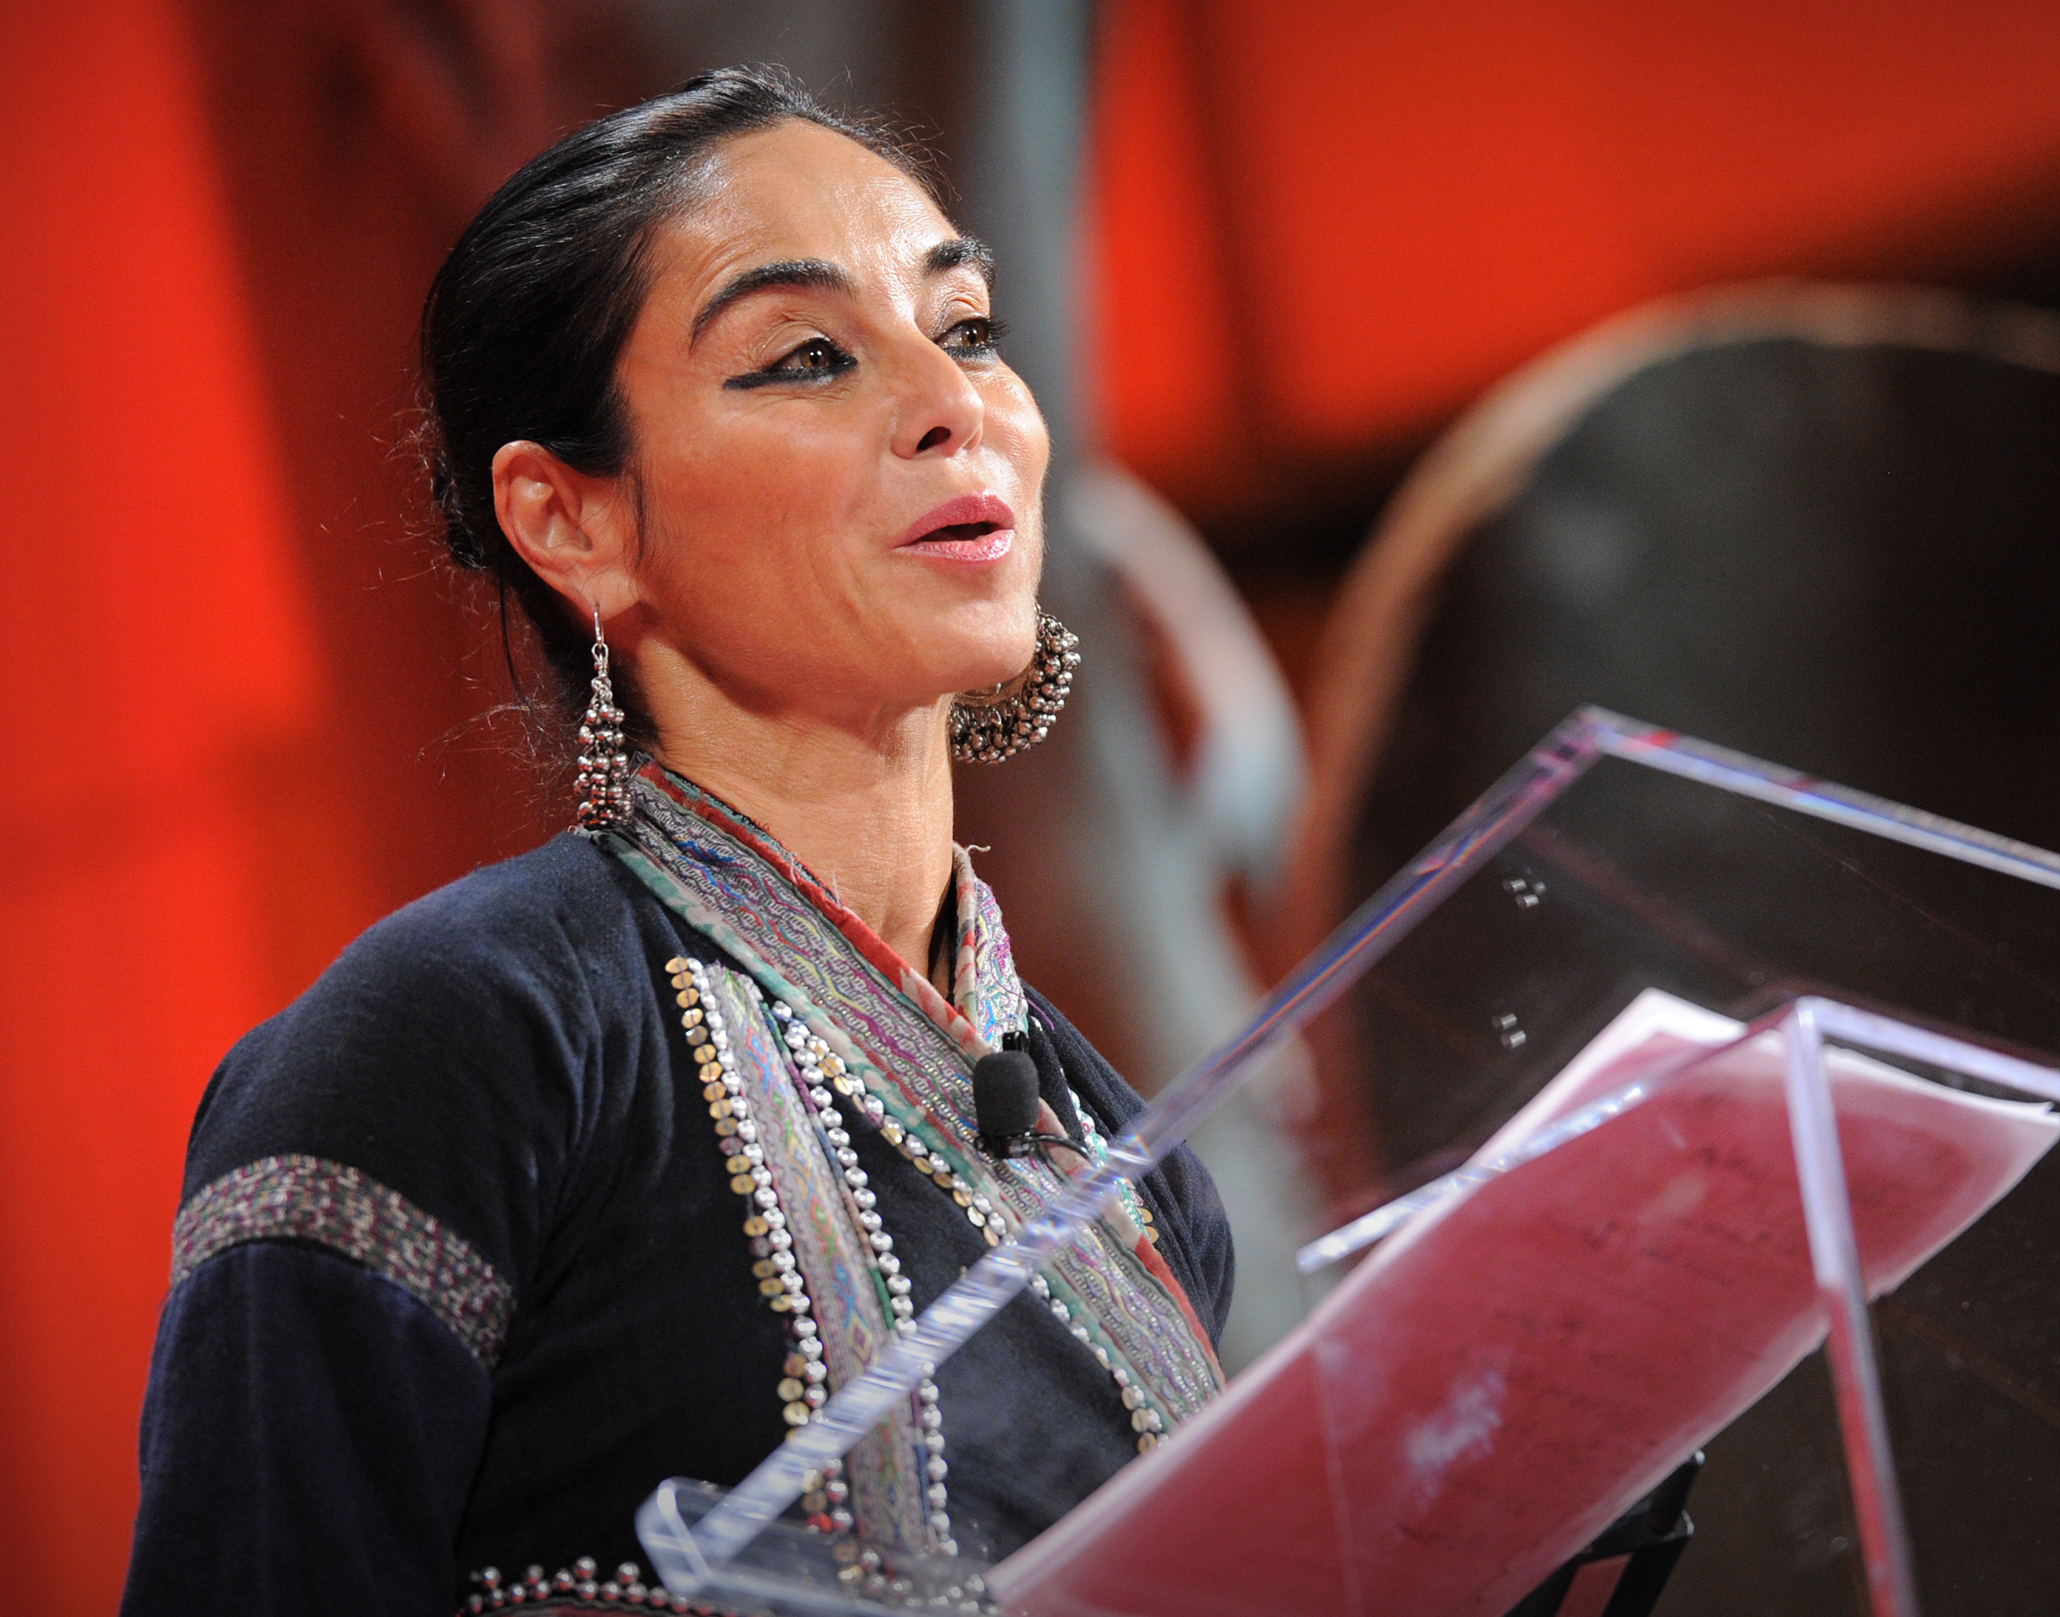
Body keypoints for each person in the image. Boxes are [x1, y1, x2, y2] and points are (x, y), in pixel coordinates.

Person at [121, 67, 1232, 1614]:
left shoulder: (1132, 1166)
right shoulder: (454, 1040)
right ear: (571, 520)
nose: (952, 400)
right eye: (807, 355)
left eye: (967, 326)